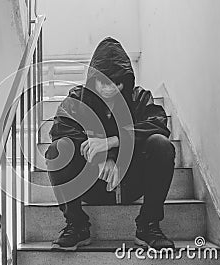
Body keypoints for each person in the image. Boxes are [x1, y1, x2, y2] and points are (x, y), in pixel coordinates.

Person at [44, 37, 176, 251]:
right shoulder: (78, 99)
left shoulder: (139, 97)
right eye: (103, 81)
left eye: (116, 82)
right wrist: (100, 158)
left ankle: (148, 225)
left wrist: (112, 142)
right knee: (57, 149)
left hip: (132, 181)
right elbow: (61, 129)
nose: (109, 88)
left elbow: (158, 124)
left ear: (126, 80)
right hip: (91, 184)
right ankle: (76, 225)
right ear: (93, 78)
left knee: (161, 144)